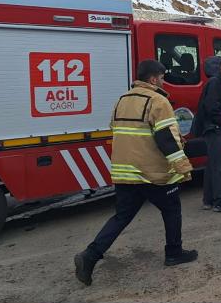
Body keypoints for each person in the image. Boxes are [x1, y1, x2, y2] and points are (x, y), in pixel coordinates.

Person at [73, 59, 197, 286]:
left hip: (125, 172)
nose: (163, 82)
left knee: (122, 216)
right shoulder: (159, 100)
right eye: (161, 78)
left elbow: (117, 130)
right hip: (151, 172)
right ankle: (174, 253)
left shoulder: (121, 100)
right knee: (172, 210)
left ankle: (89, 256)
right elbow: (166, 139)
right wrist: (184, 167)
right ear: (153, 79)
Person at [193, 56, 221, 213]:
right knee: (219, 166)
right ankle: (220, 201)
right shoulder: (216, 82)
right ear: (217, 67)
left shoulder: (213, 82)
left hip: (212, 128)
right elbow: (212, 106)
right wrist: (220, 123)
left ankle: (208, 200)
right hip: (215, 128)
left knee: (212, 165)